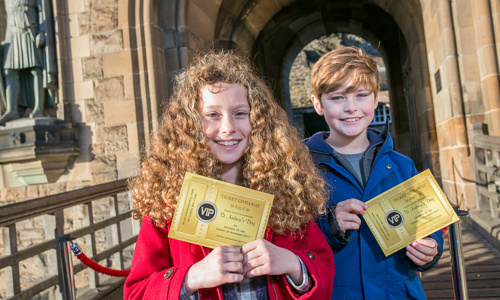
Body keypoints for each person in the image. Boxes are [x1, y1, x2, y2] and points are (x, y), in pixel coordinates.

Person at [124, 50, 335, 299]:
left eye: (240, 114)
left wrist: (291, 262)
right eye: (212, 115)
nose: (228, 128)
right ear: (190, 124)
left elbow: (324, 272)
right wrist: (192, 278)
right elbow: (136, 293)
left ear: (258, 121)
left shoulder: (286, 190)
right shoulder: (168, 202)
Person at [304, 46, 443, 300]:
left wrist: (431, 249)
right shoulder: (298, 169)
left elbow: (427, 223)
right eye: (337, 98)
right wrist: (329, 226)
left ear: (376, 99)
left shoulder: (403, 165)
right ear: (318, 104)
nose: (351, 107)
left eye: (361, 95)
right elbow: (288, 238)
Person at [1, 0, 58, 124]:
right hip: (11, 33)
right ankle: (12, 110)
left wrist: (43, 32)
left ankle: (39, 107)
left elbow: (44, 11)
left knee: (36, 69)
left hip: (30, 31)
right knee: (9, 70)